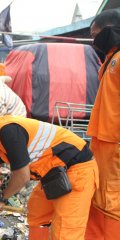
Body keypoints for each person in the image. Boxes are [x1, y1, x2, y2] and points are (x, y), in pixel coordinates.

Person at [0, 102, 98, 240]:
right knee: (37, 211)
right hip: (54, 173)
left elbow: (22, 176)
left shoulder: (8, 131)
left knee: (66, 230)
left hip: (77, 170)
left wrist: (2, 199)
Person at [85, 9, 120, 240]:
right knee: (99, 194)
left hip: (113, 141)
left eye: (96, 34)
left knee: (110, 200)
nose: (93, 40)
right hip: (103, 140)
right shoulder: (111, 58)